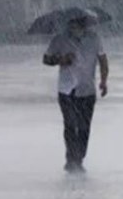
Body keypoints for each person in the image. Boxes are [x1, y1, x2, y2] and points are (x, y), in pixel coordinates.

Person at [43, 16, 109, 173]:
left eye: (78, 24)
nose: (75, 28)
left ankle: (79, 158)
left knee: (84, 127)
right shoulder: (59, 39)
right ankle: (71, 159)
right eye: (72, 24)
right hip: (66, 90)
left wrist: (103, 81)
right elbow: (46, 59)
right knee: (70, 125)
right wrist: (60, 59)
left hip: (87, 90)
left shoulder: (94, 39)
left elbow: (103, 59)